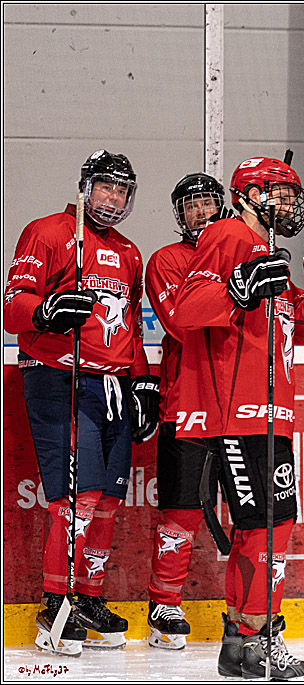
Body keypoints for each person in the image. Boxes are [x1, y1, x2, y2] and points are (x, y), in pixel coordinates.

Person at [172, 156, 304, 680]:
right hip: (239, 413)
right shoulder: (229, 235)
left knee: (265, 527)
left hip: (269, 414)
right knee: (267, 528)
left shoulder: (266, 249)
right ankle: (256, 641)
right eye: (279, 193)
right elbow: (187, 311)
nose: (289, 204)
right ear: (249, 194)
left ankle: (242, 643)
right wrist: (236, 289)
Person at [3, 150, 160, 655]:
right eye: (106, 188)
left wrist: (143, 382)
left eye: (122, 191)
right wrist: (45, 311)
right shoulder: (48, 232)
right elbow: (13, 305)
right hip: (58, 378)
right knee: (76, 501)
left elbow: (132, 328)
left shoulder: (131, 252)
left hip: (111, 387)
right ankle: (56, 606)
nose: (112, 199)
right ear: (85, 187)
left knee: (109, 501)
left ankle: (88, 597)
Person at [143, 173, 233, 649]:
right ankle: (164, 605)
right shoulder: (166, 260)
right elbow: (182, 322)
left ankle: (248, 614)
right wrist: (236, 293)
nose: (201, 212)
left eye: (208, 203)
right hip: (187, 402)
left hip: (244, 405)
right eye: (191, 205)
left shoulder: (246, 252)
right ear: (179, 214)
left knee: (253, 515)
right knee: (181, 512)